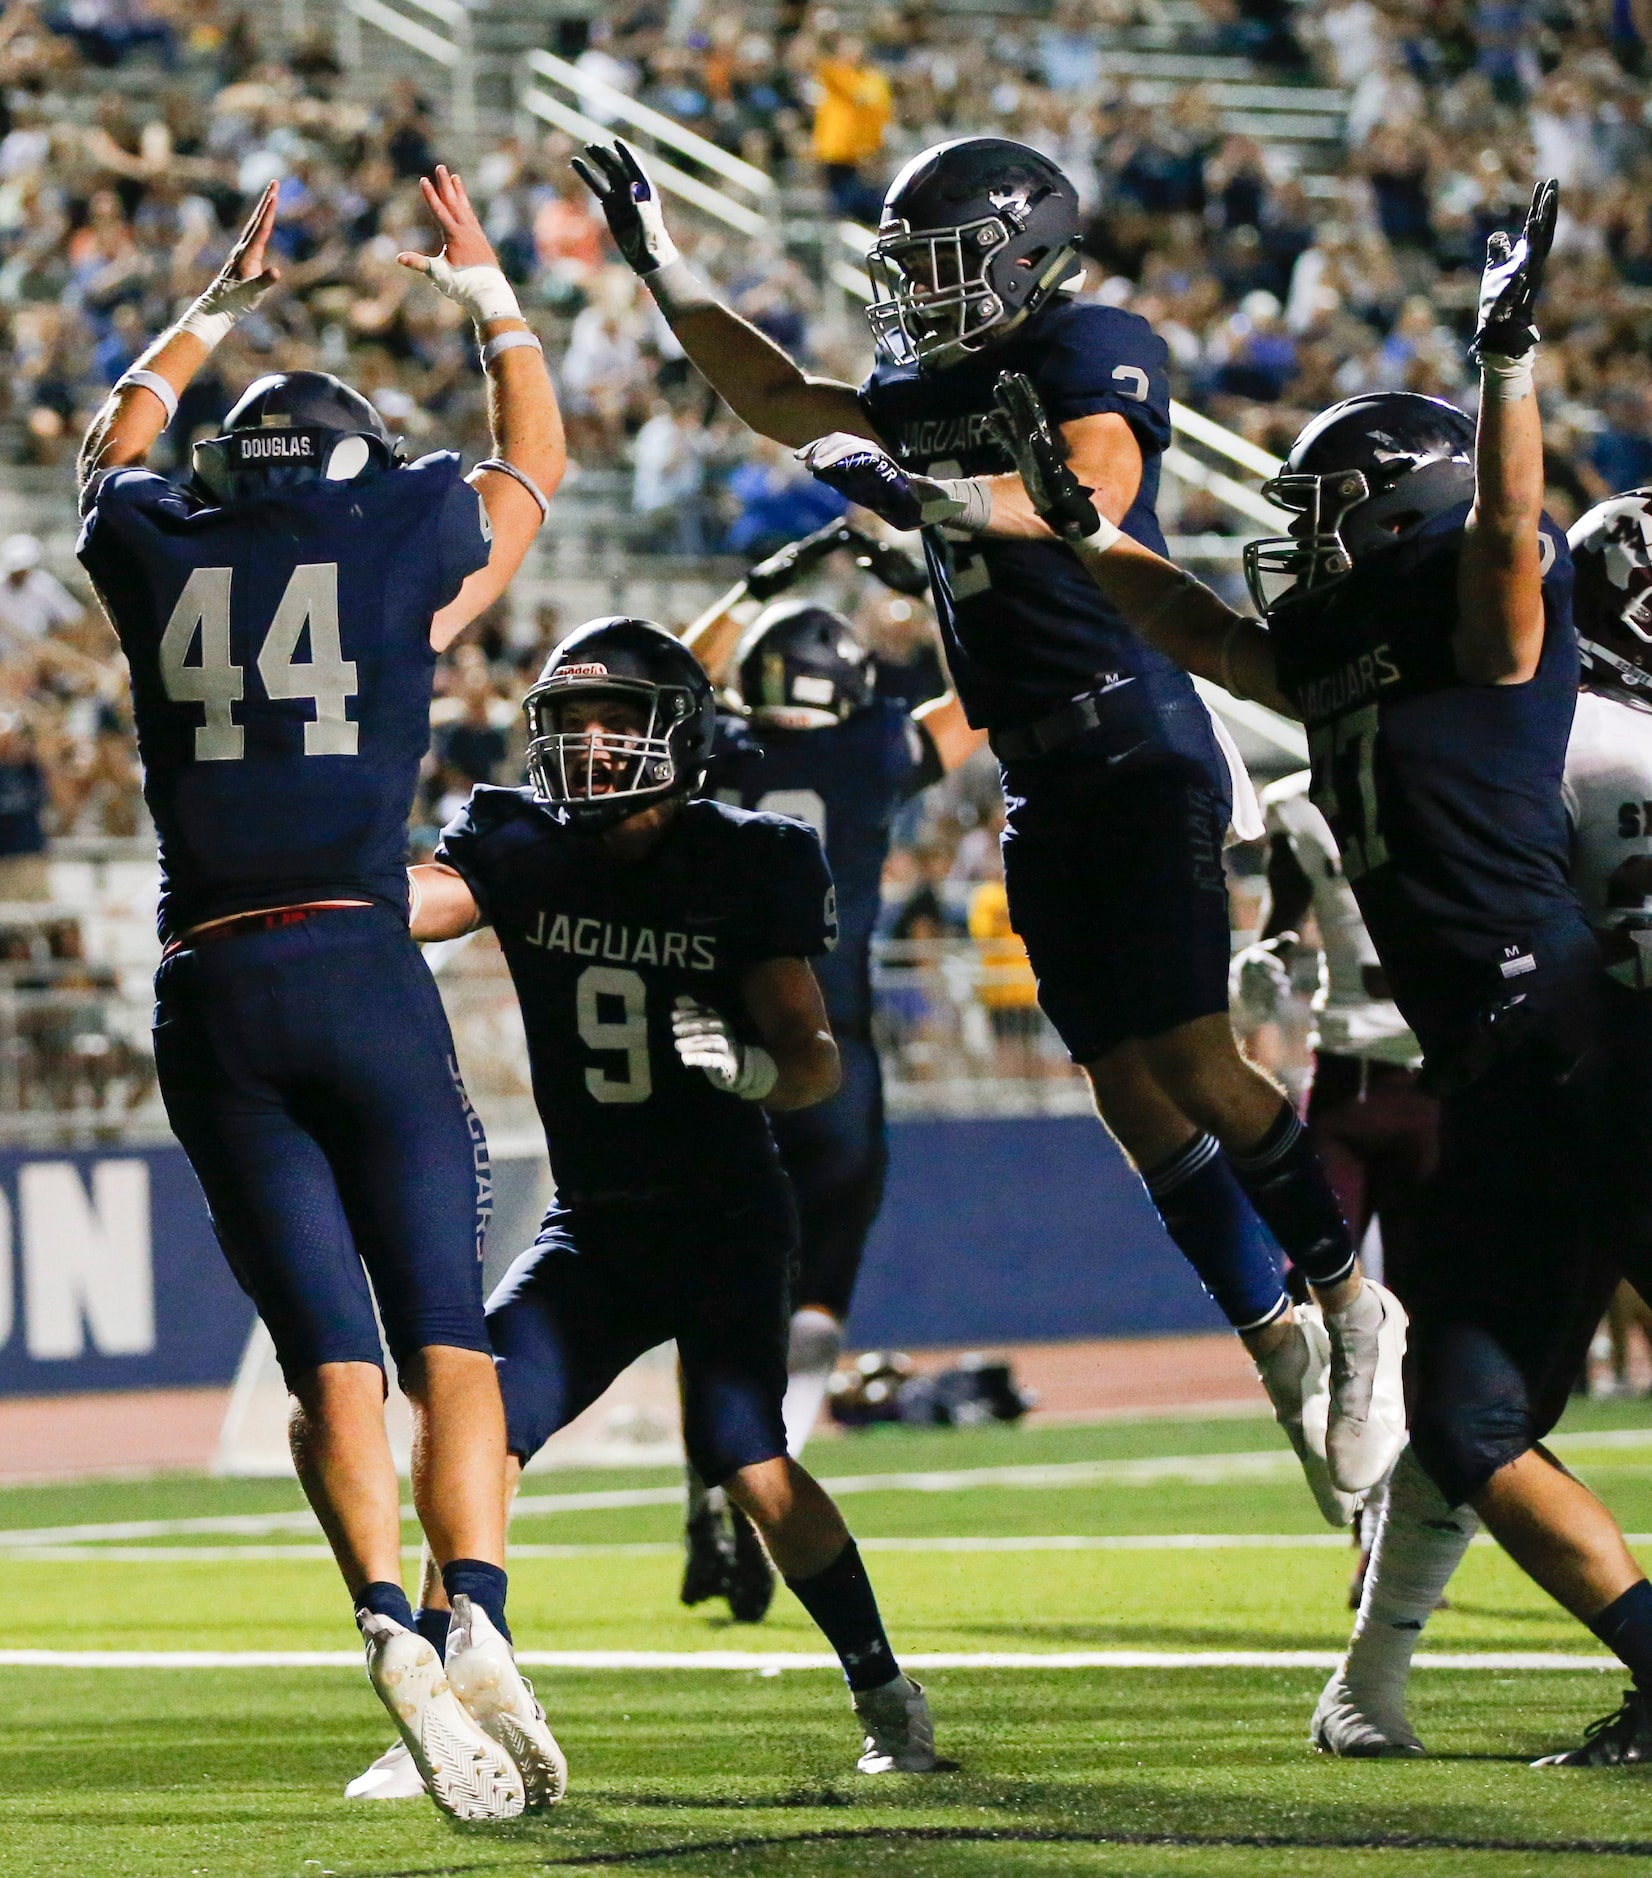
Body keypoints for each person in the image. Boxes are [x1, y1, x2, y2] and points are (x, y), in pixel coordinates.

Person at [573, 132, 1400, 1524]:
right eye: (908, 268)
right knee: (1130, 1098)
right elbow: (779, 392)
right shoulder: (918, 383)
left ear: (1023, 254)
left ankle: (1350, 1299)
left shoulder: (1096, 344)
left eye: (943, 262)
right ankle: (1275, 1337)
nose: (919, 292)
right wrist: (663, 266)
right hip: (1035, 770)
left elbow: (1086, 495)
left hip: (1135, 733)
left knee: (1198, 1057)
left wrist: (924, 491)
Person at [997, 179, 1652, 1767]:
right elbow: (1203, 632)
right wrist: (1089, 535)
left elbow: (1507, 531)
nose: (1299, 530)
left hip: (1563, 1040)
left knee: (1479, 1411)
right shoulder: (1349, 650)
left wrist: (1508, 357)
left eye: (1326, 502)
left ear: (1390, 508)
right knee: (1472, 1423)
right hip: (1500, 1066)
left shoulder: (1491, 628)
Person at [75, 170, 567, 1818]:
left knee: (327, 1367)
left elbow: (109, 460)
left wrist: (214, 300)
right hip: (360, 962)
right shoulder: (397, 538)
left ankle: (386, 1625)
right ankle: (476, 1609)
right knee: (448, 1327)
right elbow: (533, 470)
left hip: (212, 983)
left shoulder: (162, 545)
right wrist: (492, 293)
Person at [349, 618, 939, 1800]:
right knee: (479, 1424)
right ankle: (461, 1698)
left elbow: (815, 1057)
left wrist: (757, 1070)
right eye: (570, 724)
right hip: (597, 1222)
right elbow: (427, 902)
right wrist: (320, 878)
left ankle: (887, 1695)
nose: (591, 746)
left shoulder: (748, 855)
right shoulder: (518, 841)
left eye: (617, 722)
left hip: (725, 1212)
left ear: (682, 731)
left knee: (746, 1460)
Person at [1312, 485, 1652, 1759]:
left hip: (1558, 1086)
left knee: (1472, 1419)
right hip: (1575, 1083)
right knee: (1471, 1414)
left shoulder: (1537, 732)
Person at [672, 520, 985, 1620]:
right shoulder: (867, 752)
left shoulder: (715, 752)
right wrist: (935, 582)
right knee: (816, 1299)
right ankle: (774, 1474)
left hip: (709, 1059)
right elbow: (988, 686)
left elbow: (661, 669)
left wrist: (760, 578)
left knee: (718, 1297)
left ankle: (709, 1487)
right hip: (831, 1053)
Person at [1231, 773, 1438, 1585]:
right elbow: (1288, 918)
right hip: (1347, 1075)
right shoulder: (1297, 804)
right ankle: (1358, 1485)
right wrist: (1265, 954)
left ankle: (1391, 1536)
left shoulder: (1454, 770)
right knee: (1316, 1280)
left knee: (1430, 1315)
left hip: (1439, 1077)